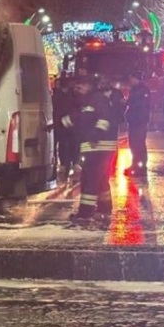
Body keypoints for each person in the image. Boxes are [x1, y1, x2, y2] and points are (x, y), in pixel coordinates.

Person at [60, 75, 118, 228]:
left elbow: (105, 119)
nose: (77, 89)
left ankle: (85, 214)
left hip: (99, 146)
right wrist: (59, 125)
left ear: (89, 86)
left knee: (90, 179)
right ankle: (105, 208)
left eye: (81, 86)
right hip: (96, 146)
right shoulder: (86, 101)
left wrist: (96, 134)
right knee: (100, 180)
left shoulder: (97, 99)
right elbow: (78, 118)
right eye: (76, 87)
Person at [124, 71, 151, 176]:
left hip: (139, 121)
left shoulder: (142, 90)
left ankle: (140, 166)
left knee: (138, 144)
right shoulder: (135, 90)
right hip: (134, 121)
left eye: (131, 78)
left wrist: (127, 103)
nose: (130, 80)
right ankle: (135, 164)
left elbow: (139, 105)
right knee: (133, 144)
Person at [52, 77, 78, 180]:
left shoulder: (59, 95)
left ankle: (68, 164)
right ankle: (67, 164)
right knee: (65, 145)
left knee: (68, 144)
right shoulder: (60, 95)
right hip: (63, 125)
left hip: (65, 125)